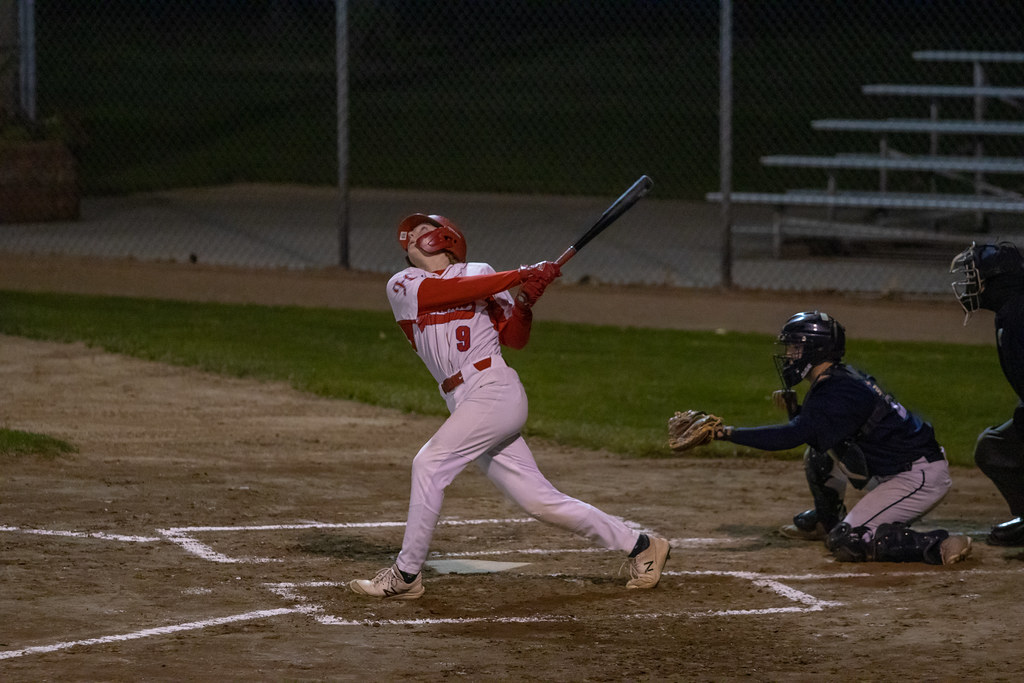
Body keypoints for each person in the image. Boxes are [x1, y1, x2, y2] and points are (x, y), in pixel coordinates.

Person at [348, 213, 670, 599]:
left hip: (493, 389)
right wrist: (521, 274)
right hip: (462, 400)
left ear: (446, 238)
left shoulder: (482, 272)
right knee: (539, 501)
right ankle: (641, 545)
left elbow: (515, 339)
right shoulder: (403, 284)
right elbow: (443, 295)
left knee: (429, 463)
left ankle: (406, 574)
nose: (413, 237)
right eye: (410, 234)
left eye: (422, 230)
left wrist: (525, 303)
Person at [704, 310, 972, 565]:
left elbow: (790, 437)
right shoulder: (835, 380)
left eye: (795, 347)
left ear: (814, 349)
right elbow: (814, 432)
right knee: (819, 455)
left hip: (917, 477)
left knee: (848, 540)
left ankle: (938, 545)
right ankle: (827, 520)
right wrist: (796, 412)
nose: (789, 355)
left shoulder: (838, 391)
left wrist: (724, 433)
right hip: (893, 467)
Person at [951, 241, 1024, 546]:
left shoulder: (1019, 315)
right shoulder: (1011, 311)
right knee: (993, 448)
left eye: (976, 275)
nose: (970, 283)